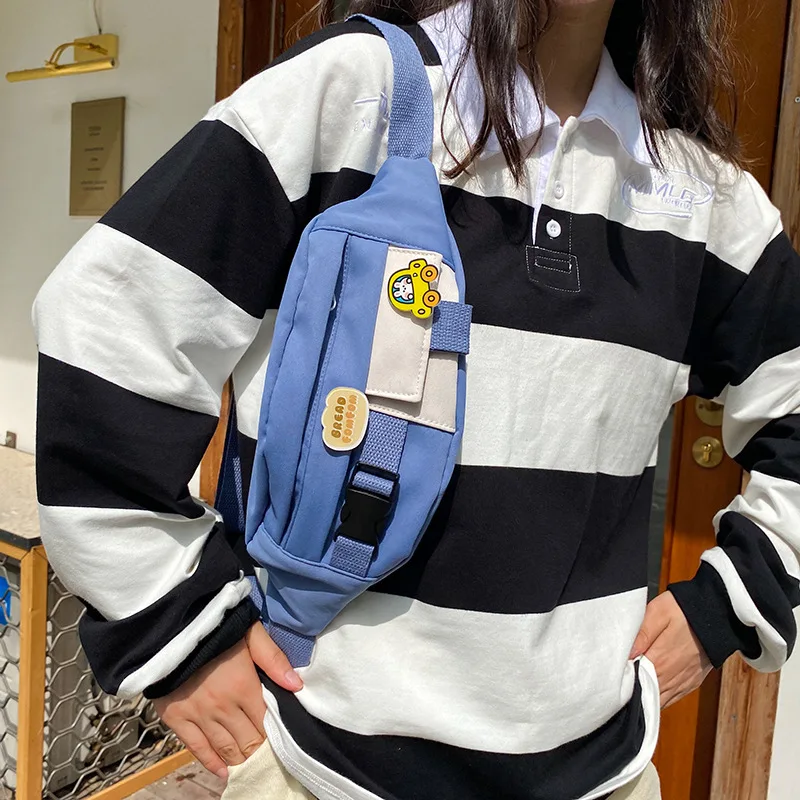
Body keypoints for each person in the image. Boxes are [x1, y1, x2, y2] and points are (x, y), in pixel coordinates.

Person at [33, 0, 800, 798]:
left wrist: (728, 605)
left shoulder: (694, 193)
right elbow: (106, 324)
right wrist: (178, 633)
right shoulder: (354, 94)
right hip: (319, 765)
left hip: (598, 771)